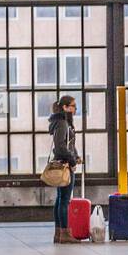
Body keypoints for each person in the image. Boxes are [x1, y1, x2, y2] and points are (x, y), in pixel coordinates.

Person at [48, 95, 82, 244]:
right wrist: (73, 160)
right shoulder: (62, 123)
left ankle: (58, 233)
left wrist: (77, 155)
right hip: (66, 165)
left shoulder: (61, 122)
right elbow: (60, 146)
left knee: (60, 199)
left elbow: (69, 144)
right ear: (65, 107)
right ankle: (65, 233)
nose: (75, 109)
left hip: (64, 162)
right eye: (73, 106)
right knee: (64, 201)